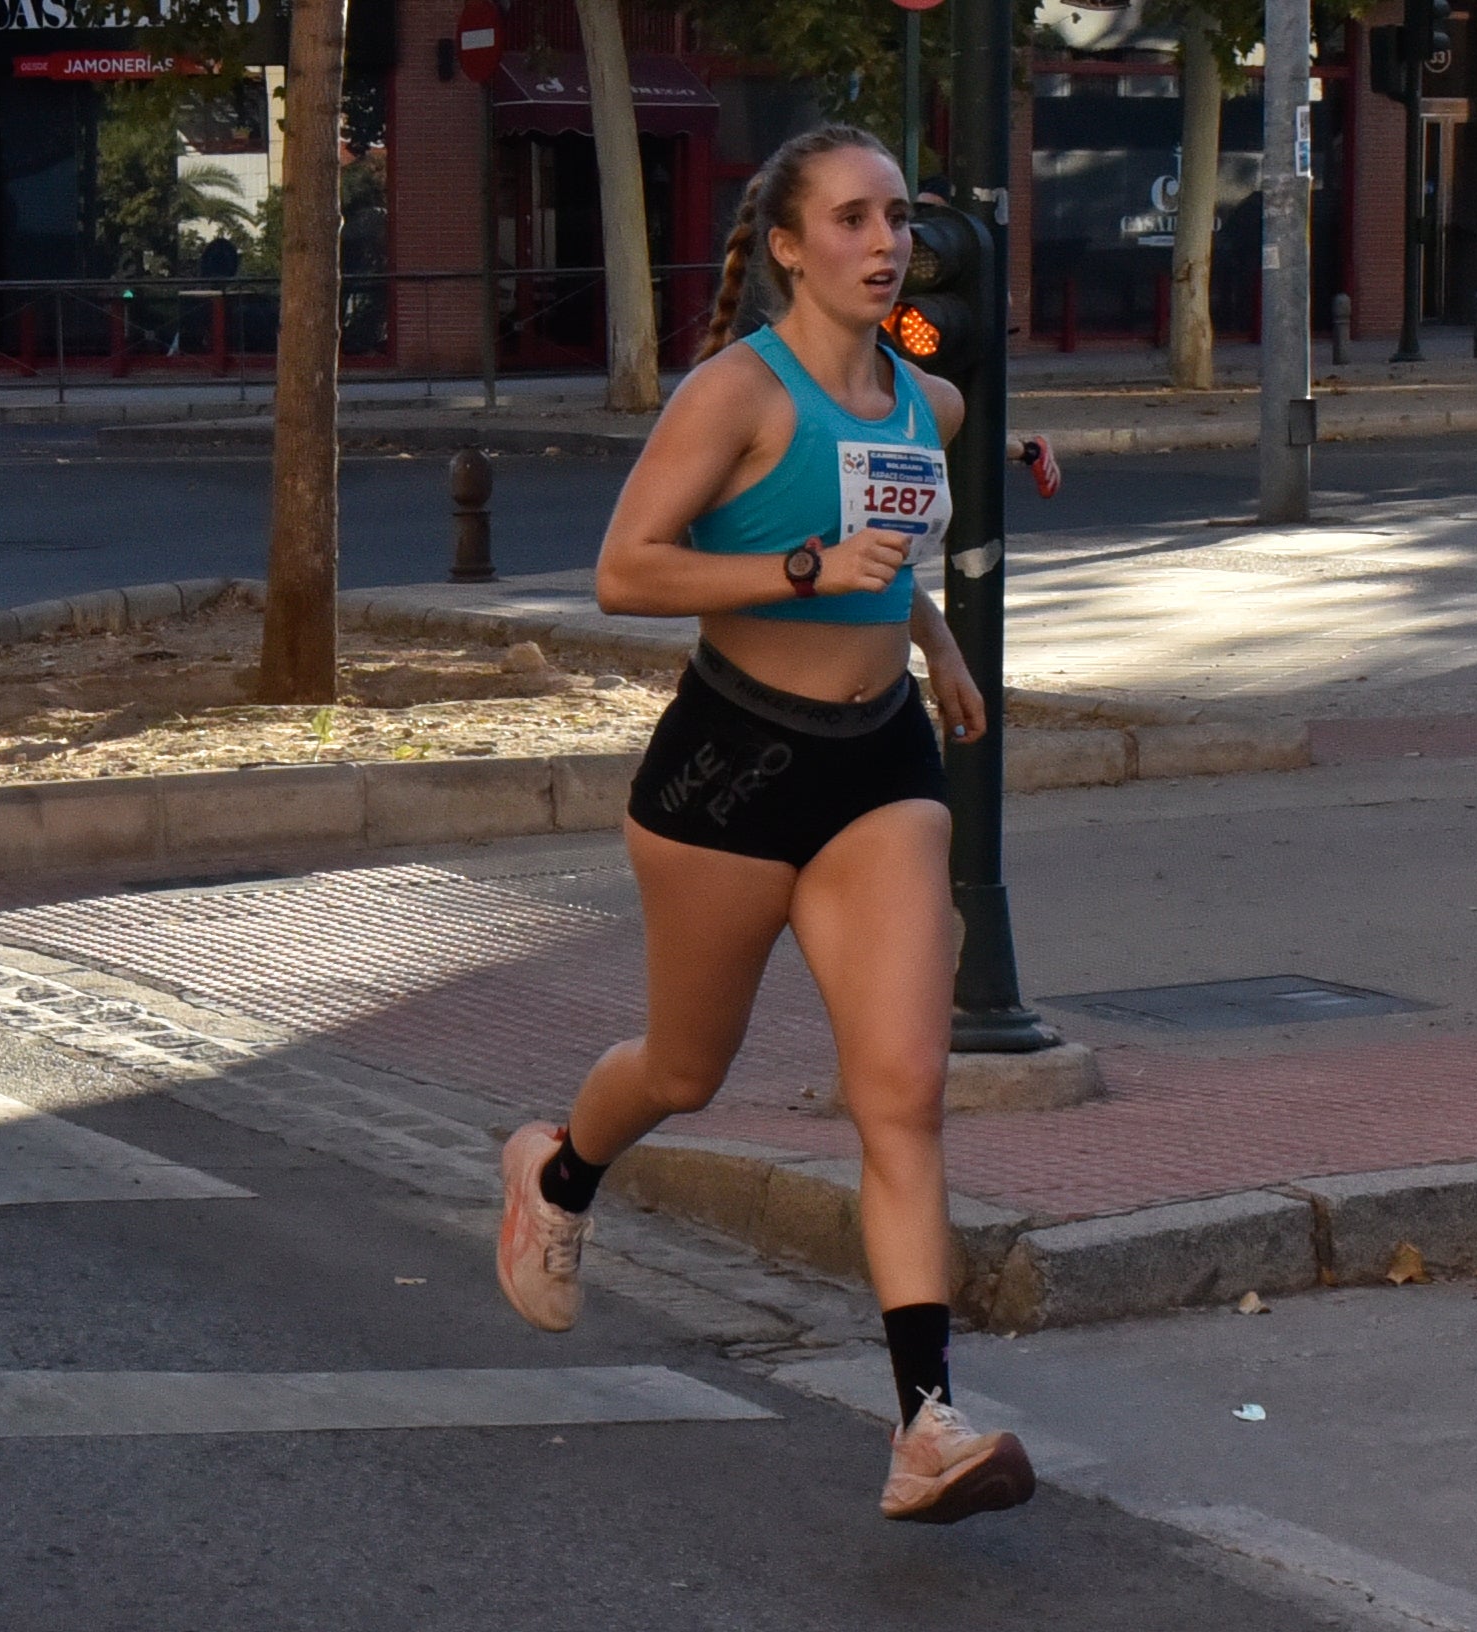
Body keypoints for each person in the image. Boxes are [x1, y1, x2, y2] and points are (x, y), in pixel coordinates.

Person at [494, 124, 1037, 1526]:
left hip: (877, 767)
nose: (884, 243)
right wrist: (800, 565)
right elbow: (625, 570)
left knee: (901, 1097)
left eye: (897, 219)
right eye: (851, 220)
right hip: (729, 769)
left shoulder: (930, 404)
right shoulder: (737, 393)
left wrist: (934, 643)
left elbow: (889, 554)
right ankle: (555, 1175)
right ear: (789, 245)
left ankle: (925, 1426)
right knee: (684, 1069)